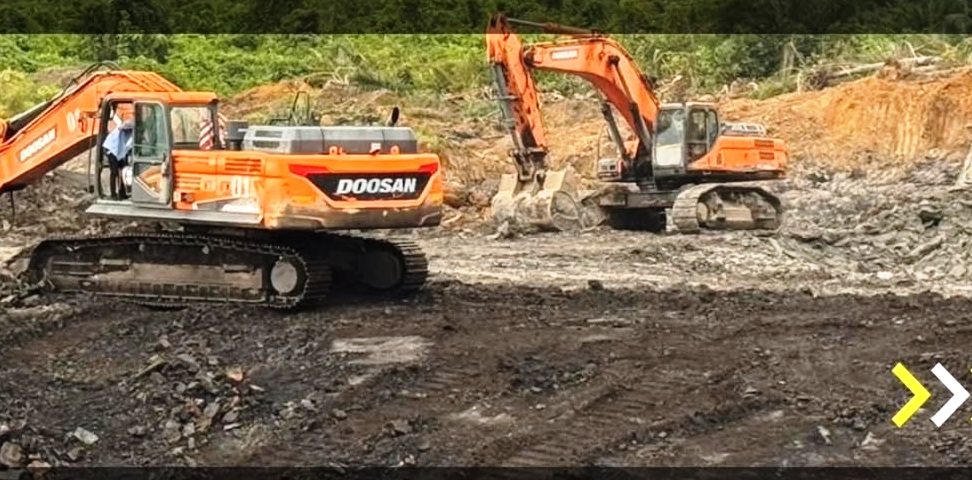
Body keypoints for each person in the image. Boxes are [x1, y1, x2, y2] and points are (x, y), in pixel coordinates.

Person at [102, 117, 134, 200]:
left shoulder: (132, 135)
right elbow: (123, 125)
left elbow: (129, 146)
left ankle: (122, 193)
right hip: (112, 150)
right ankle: (113, 194)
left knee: (123, 172)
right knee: (114, 172)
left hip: (121, 152)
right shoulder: (123, 128)